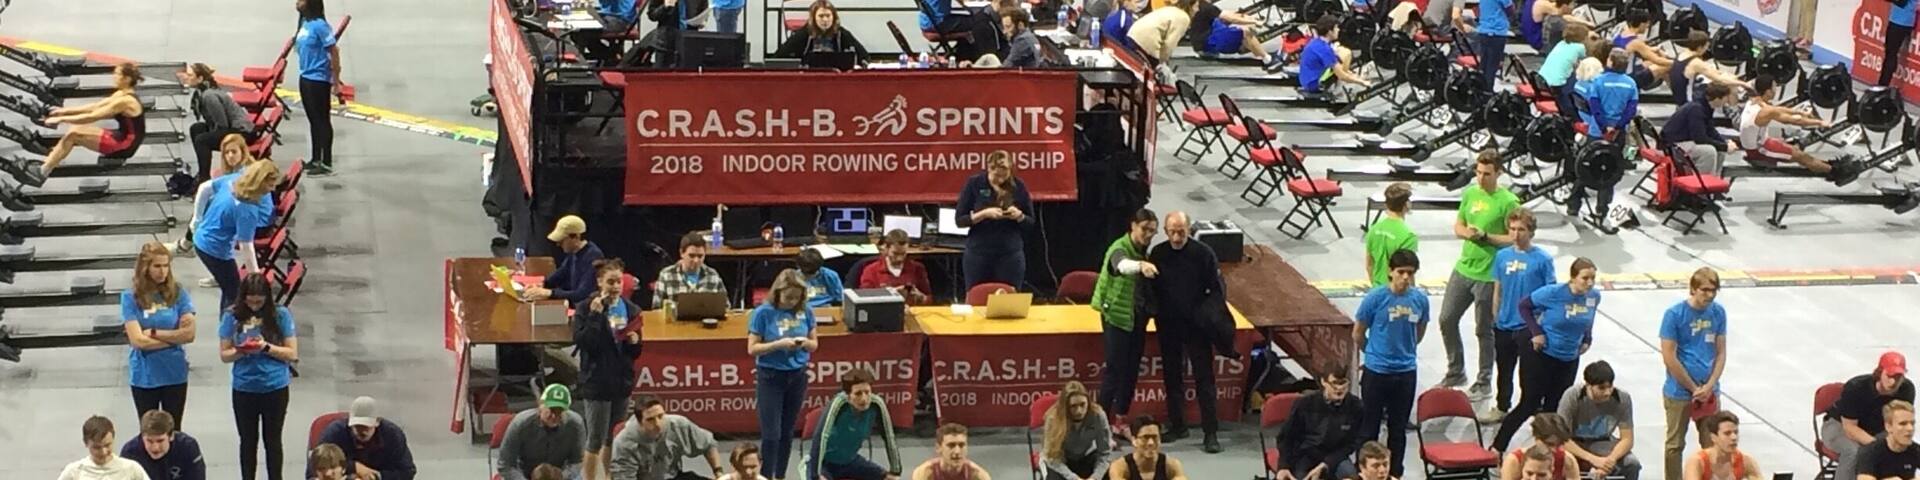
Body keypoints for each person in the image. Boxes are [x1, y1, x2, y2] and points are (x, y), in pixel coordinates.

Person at [1491, 257, 1601, 451]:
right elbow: (1524, 306)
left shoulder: (1593, 296)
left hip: (1568, 358)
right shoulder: (1553, 293)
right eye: (1585, 278)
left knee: (1554, 408)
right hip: (1541, 355)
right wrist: (1536, 332)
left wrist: (1587, 339)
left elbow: (1589, 319)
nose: (1590, 283)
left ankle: (1543, 452)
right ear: (1573, 277)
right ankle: (1497, 447)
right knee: (1529, 404)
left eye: (1593, 278)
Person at [1141, 211, 1224, 452]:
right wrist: (1155, 312)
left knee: (1204, 379)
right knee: (1172, 376)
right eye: (1172, 232)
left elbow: (1217, 291)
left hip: (1197, 327)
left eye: (1181, 232)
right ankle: (1178, 425)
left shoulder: (1203, 254)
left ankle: (1210, 432)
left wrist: (1204, 316)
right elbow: (1151, 289)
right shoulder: (1159, 254)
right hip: (1168, 326)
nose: (1177, 237)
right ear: (1165, 232)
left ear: (1189, 229)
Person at [1438, 150, 1518, 397]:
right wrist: (1467, 234)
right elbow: (1459, 225)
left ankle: (1483, 381)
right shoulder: (1470, 193)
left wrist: (1486, 237)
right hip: (1464, 268)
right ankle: (1456, 370)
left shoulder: (1509, 202)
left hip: (1488, 274)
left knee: (1484, 330)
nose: (1481, 178)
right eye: (1479, 173)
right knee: (1446, 319)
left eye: (1487, 174)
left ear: (1499, 173)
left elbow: (1513, 238)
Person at [7, 63, 147, 187]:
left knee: (73, 135)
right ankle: (50, 160)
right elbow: (93, 107)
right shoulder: (122, 94)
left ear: (127, 79)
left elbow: (92, 116)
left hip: (125, 145)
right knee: (75, 130)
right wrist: (63, 111)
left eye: (117, 74)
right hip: (122, 138)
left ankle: (42, 173)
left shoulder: (125, 101)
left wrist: (61, 120)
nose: (113, 76)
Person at [1354, 249, 1429, 478]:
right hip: (1376, 372)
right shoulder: (1375, 298)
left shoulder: (1420, 300)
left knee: (1398, 430)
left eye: (1410, 273)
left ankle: (1394, 473)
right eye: (1401, 272)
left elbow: (1420, 330)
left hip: (1405, 372)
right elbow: (1358, 333)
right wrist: (1374, 353)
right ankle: (1365, 473)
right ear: (1390, 271)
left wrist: (1406, 350)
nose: (1406, 277)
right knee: (1369, 428)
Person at [220, 273, 299, 480]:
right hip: (244, 388)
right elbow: (225, 355)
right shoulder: (232, 316)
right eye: (250, 300)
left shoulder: (280, 315)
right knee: (247, 441)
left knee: (272, 441)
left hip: (275, 388)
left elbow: (292, 353)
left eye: (259, 300)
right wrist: (242, 351)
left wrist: (266, 347)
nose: (254, 304)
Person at [573, 258, 644, 480]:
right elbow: (585, 343)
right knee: (595, 439)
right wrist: (595, 315)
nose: (615, 287)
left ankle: (610, 478)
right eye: (610, 282)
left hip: (621, 381)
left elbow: (635, 353)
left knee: (614, 437)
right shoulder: (585, 308)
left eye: (618, 282)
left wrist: (635, 343)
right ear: (599, 283)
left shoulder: (631, 309)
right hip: (596, 381)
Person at [748, 269, 818, 480]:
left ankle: (780, 475)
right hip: (771, 377)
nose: (792, 301)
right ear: (777, 292)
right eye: (788, 297)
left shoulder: (806, 311)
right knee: (772, 435)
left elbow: (814, 344)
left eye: (797, 298)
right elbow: (752, 349)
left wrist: (804, 343)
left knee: (787, 433)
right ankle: (766, 476)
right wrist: (779, 345)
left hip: (797, 376)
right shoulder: (763, 313)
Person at [1659, 267, 1728, 480]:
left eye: (1713, 290)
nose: (1709, 295)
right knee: (1675, 445)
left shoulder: (1718, 312)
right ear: (1693, 289)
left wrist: (1710, 385)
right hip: (1679, 392)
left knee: (1712, 443)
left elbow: (1721, 351)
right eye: (1704, 290)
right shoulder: (1674, 315)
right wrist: (1693, 388)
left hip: (1709, 391)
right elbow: (1669, 356)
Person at [1486, 210, 1554, 423]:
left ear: (1531, 232)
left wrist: (1539, 325)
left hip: (1527, 326)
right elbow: (1498, 286)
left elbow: (1549, 293)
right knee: (1503, 370)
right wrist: (1495, 315)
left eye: (1521, 230)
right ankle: (1502, 406)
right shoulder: (1502, 256)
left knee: (1530, 374)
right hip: (1504, 324)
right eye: (1512, 229)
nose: (1516, 234)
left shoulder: (1543, 259)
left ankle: (1531, 408)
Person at [1094, 209, 1159, 428]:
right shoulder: (1119, 248)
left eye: (1152, 231)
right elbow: (1121, 266)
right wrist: (1141, 266)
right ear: (1133, 226)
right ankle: (1102, 427)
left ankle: (1120, 420)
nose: (1148, 235)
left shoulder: (1145, 251)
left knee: (1132, 370)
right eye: (1144, 229)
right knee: (1114, 371)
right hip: (1116, 318)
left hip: (1138, 318)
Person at [1736, 75, 1866, 185]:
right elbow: (1793, 121)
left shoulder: (1755, 101)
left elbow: (1780, 110)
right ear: (1768, 91)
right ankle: (1836, 172)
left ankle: (1826, 165)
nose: (1776, 90)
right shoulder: (1766, 110)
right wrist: (1820, 122)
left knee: (1796, 151)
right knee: (1802, 156)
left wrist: (1798, 111)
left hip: (1761, 143)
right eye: (1774, 87)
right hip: (1760, 150)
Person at [122, 241, 197, 426]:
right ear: (145, 267)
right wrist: (174, 338)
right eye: (157, 266)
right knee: (150, 432)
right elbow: (138, 341)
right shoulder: (130, 297)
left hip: (174, 373)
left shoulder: (179, 293)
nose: (162, 271)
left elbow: (189, 335)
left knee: (174, 430)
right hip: (145, 376)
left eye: (165, 266)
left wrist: (154, 333)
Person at [194, 160, 280, 310]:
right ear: (259, 182)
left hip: (202, 237)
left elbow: (205, 188)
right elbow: (246, 245)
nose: (272, 189)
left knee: (228, 289)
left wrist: (197, 218)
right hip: (215, 250)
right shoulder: (247, 210)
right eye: (270, 184)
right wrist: (256, 279)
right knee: (234, 294)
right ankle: (228, 328)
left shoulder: (232, 180)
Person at [1824, 352, 1917, 480]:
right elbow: (1850, 428)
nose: (1893, 381)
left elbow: (1900, 420)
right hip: (1840, 426)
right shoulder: (1856, 387)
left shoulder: (1906, 389)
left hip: (1879, 429)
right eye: (1890, 376)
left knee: (1899, 447)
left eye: (1898, 377)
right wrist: (1878, 447)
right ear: (1880, 373)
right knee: (1854, 452)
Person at [806, 369, 904, 480]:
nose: (864, 399)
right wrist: (815, 474)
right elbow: (821, 437)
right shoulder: (838, 403)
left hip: (851, 462)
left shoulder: (877, 404)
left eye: (867, 392)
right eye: (858, 394)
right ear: (848, 395)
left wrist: (895, 471)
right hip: (825, 463)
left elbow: (889, 437)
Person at [955, 151, 1034, 289]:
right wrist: (983, 214)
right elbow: (960, 221)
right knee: (977, 297)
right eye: (996, 176)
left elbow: (1030, 222)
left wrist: (1019, 216)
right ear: (989, 169)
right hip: (978, 253)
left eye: (1004, 176)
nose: (1000, 180)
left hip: (1009, 254)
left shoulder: (1018, 186)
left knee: (1008, 300)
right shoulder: (975, 183)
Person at [1274, 366, 1365, 480]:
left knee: (1350, 476)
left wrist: (1326, 464)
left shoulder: (1356, 406)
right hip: (1305, 454)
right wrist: (1283, 466)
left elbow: (1351, 444)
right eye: (1334, 383)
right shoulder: (1305, 403)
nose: (1339, 388)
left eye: (1343, 383)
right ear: (1324, 382)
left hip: (1336, 457)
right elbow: (1286, 437)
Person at [609, 394, 726, 480]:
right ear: (640, 422)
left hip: (673, 477)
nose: (658, 424)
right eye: (650, 420)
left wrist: (718, 472)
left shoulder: (678, 424)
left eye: (660, 416)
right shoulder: (624, 442)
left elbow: (708, 444)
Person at [1559, 361, 1640, 480]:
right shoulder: (1572, 395)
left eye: (1610, 386)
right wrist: (1593, 459)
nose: (1607, 392)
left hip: (1603, 442)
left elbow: (1627, 439)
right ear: (1588, 385)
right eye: (1601, 388)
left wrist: (1611, 460)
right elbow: (1561, 438)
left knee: (1632, 464)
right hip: (1575, 442)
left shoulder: (1622, 398)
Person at [308, 396, 417, 480]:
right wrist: (353, 467)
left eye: (366, 426)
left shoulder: (393, 435)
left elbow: (407, 472)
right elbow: (312, 471)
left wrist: (376, 476)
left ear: (377, 422)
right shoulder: (334, 434)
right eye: (357, 426)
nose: (361, 431)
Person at [178, 63, 253, 184]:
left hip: (242, 133)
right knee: (196, 128)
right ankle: (202, 171)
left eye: (190, 75)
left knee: (202, 140)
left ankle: (204, 178)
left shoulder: (209, 96)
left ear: (200, 79)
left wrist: (210, 137)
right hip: (231, 128)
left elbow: (222, 125)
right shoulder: (204, 92)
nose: (187, 77)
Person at [498, 385, 589, 480]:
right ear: (541, 405)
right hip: (525, 473)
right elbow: (505, 464)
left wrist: (562, 476)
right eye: (551, 410)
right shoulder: (521, 423)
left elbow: (578, 461)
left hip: (559, 475)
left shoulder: (575, 424)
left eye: (559, 411)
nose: (554, 416)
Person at [294, 0, 339, 175]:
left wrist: (336, 81)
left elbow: (334, 52)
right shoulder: (305, 23)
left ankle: (326, 161)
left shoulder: (321, 26)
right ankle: (315, 158)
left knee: (322, 120)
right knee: (313, 120)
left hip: (318, 79)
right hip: (305, 76)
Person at [1659, 83, 1742, 176]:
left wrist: (1724, 143)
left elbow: (1710, 130)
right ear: (1718, 98)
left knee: (1720, 151)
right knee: (1709, 151)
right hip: (1672, 146)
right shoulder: (1696, 109)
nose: (1726, 103)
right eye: (1725, 99)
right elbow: (1700, 138)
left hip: (1682, 142)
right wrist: (1725, 147)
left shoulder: (1706, 106)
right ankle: (1701, 184)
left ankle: (1714, 182)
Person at [526, 215, 607, 307]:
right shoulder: (573, 253)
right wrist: (540, 285)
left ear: (576, 237)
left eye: (561, 241)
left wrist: (550, 293)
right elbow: (559, 275)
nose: (558, 244)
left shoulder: (593, 256)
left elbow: (582, 294)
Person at [1042, 381, 1113, 480]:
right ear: (1066, 407)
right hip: (1061, 462)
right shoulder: (1053, 418)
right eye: (1073, 406)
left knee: (1110, 472)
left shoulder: (1098, 415)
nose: (1079, 411)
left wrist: (1095, 477)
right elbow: (1052, 457)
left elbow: (1104, 453)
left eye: (1082, 404)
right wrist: (1073, 478)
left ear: (1088, 402)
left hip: (1086, 456)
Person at [1186, 0, 1283, 71]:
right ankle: (1268, 60)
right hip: (1209, 43)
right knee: (1246, 31)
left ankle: (1249, 48)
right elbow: (1230, 18)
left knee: (1235, 26)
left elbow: (1226, 14)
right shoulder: (1206, 7)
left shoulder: (1194, 6)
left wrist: (1245, 18)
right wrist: (1254, 21)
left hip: (1201, 42)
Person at [1667, 31, 1751, 106]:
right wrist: (1743, 84)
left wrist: (1723, 74)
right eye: (1706, 47)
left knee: (1727, 78)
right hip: (1688, 101)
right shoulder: (1696, 63)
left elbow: (1710, 71)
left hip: (1679, 95)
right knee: (1730, 85)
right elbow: (1720, 80)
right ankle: (1733, 110)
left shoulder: (1683, 54)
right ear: (1700, 47)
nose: (1706, 50)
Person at [1298, 15, 1371, 97]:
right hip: (1313, 84)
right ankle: (1336, 92)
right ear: (1330, 31)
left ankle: (1345, 82)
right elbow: (1341, 75)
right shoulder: (1325, 49)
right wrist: (1362, 82)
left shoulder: (1316, 42)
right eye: (1336, 28)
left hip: (1306, 80)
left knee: (1340, 54)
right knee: (1345, 53)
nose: (1339, 30)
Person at [120, 410, 206, 480]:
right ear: (142, 437)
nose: (155, 448)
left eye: (160, 441)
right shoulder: (129, 453)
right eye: (149, 441)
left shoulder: (188, 448)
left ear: (171, 436)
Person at [1576, 49, 1641, 141]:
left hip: (1597, 131)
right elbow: (1631, 110)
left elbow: (1595, 107)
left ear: (1610, 62)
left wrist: (1603, 127)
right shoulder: (1631, 83)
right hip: (1619, 133)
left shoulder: (1598, 81)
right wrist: (1617, 127)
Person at [773, 0, 868, 60]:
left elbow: (864, 56)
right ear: (813, 18)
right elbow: (778, 57)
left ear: (834, 17)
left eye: (828, 16)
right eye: (821, 16)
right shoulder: (803, 34)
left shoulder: (842, 33)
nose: (825, 20)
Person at [62, 416, 150, 480]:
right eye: (97, 447)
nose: (103, 452)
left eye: (107, 445)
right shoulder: (74, 472)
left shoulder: (132, 469)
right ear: (85, 443)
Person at [1364, 183, 1418, 288]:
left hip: (1377, 288)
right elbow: (1407, 273)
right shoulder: (1408, 236)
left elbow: (1369, 264)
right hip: (1397, 292)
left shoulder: (1374, 229)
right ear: (1406, 205)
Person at [859, 229, 934, 305]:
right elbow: (864, 300)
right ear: (886, 249)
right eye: (895, 253)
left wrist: (921, 297)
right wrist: (890, 294)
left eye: (903, 254)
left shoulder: (918, 269)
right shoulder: (871, 270)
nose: (899, 258)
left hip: (911, 312)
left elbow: (930, 300)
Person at [654, 232, 726, 308]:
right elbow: (656, 310)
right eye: (691, 256)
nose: (696, 260)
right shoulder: (666, 275)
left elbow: (726, 307)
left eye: (700, 256)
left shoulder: (713, 275)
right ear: (682, 253)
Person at [1682, 412, 1764, 480]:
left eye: (1736, 432)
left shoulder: (1746, 461)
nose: (1734, 437)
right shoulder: (1697, 462)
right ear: (1713, 437)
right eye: (1727, 433)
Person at [1497, 414, 1579, 480]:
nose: (1554, 450)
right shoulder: (1514, 461)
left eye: (1558, 445)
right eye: (1549, 444)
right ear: (1536, 438)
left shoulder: (1567, 460)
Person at [1106, 416, 1188, 480]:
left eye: (1155, 437)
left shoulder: (1172, 466)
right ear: (1134, 440)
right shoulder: (1120, 467)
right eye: (1145, 437)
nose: (1151, 443)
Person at [1857, 400, 1920, 480]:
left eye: (1912, 423)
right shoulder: (1870, 452)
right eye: (1903, 424)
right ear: (1888, 427)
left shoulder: (1915, 450)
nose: (1910, 428)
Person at [1538, 23, 1591, 115]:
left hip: (1542, 80)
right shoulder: (1580, 47)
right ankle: (1573, 111)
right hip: (1556, 85)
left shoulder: (1561, 43)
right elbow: (1590, 58)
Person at [1613, 11, 1673, 88]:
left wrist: (1657, 50)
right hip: (1630, 78)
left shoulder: (1622, 34)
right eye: (1647, 24)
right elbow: (1657, 60)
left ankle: (1675, 92)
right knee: (1667, 66)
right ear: (1641, 24)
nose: (1648, 26)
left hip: (1620, 73)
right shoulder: (1636, 42)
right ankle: (1679, 94)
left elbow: (1644, 50)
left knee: (1650, 63)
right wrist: (1678, 62)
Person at [912, 423, 991, 480]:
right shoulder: (924, 474)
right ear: (938, 448)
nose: (957, 451)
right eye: (951, 445)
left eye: (961, 445)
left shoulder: (978, 476)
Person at [1127, 0, 1197, 63]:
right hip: (1146, 41)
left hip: (1133, 34)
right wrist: (1163, 63)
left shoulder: (1171, 9)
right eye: (1196, 6)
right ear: (1190, 6)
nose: (1198, 10)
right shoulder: (1184, 18)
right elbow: (1169, 44)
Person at [1473, 0, 1515, 93]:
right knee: (1492, 66)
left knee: (1484, 65)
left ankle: (1480, 91)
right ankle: (1488, 93)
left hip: (1483, 30)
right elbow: (1510, 9)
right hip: (1497, 31)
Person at [1524, 0, 1590, 50]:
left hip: (1532, 36)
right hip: (1538, 40)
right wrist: (1588, 24)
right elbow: (1564, 15)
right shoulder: (1542, 4)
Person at [1880, 0, 1916, 88]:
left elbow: (1901, 2)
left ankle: (1883, 84)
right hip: (1901, 19)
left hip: (1900, 21)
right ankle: (1883, 83)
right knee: (1890, 53)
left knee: (1891, 53)